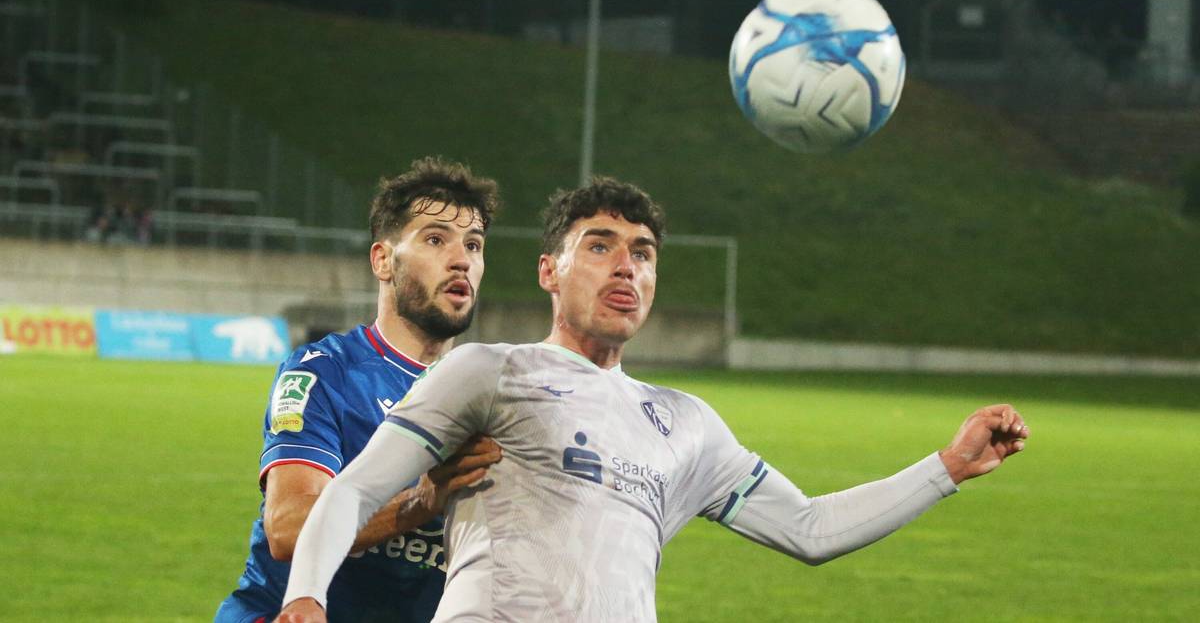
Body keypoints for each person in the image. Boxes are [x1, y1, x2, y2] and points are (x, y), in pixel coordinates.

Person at [276, 177, 1030, 622]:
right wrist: (307, 596)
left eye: (642, 253)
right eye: (599, 246)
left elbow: (809, 528)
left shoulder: (685, 424)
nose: (625, 267)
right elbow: (353, 492)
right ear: (549, 271)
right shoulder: (488, 371)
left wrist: (947, 468)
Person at [215, 157, 504, 623]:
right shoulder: (325, 374)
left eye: (474, 244)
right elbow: (287, 529)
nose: (462, 260)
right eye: (435, 239)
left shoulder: (492, 395)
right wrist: (419, 503)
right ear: (383, 260)